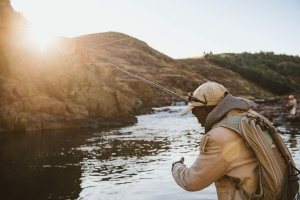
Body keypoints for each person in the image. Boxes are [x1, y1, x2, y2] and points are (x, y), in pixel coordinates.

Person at [171, 81, 259, 199]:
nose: (193, 114)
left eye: (194, 109)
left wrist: (176, 166)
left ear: (207, 109)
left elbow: (191, 182)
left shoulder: (218, 137)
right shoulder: (252, 117)